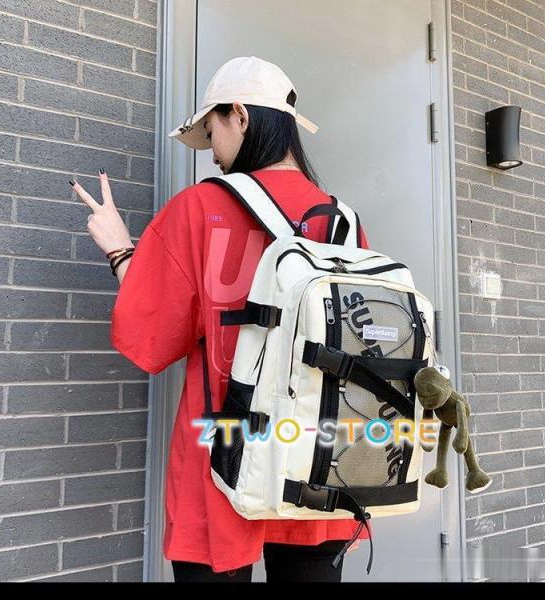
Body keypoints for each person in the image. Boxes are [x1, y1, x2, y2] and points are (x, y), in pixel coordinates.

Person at [71, 56, 371, 583]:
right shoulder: (342, 222)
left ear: (240, 115)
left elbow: (153, 335)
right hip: (318, 457)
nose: (212, 153)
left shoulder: (198, 208)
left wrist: (120, 250)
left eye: (212, 133)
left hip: (223, 459)